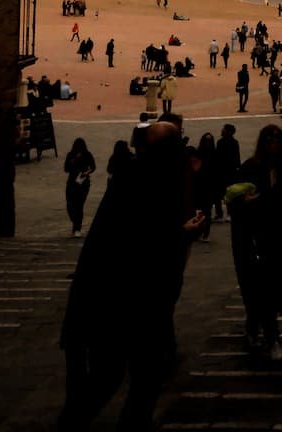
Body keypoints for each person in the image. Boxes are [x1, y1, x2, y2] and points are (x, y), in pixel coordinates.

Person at [58, 122, 204, 431]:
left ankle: (119, 422)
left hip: (118, 297)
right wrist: (182, 234)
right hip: (121, 299)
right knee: (117, 374)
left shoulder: (138, 176)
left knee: (132, 373)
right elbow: (139, 241)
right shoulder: (148, 180)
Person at [227, 124, 282, 361]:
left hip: (281, 237)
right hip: (256, 238)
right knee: (261, 289)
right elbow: (233, 198)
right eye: (269, 139)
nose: (274, 144)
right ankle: (271, 337)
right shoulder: (251, 167)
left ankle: (256, 329)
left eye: (277, 139)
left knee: (273, 288)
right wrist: (246, 202)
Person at [64, 137, 96, 238]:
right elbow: (66, 168)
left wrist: (86, 173)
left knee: (79, 205)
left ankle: (77, 228)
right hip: (72, 183)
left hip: (83, 183)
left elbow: (93, 167)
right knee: (70, 205)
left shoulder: (87, 155)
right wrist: (73, 160)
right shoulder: (70, 155)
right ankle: (76, 223)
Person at [213, 124, 241, 221]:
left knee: (219, 193)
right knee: (228, 193)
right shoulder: (234, 142)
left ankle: (220, 213)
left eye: (223, 129)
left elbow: (217, 157)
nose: (222, 130)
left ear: (228, 131)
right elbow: (237, 157)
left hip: (223, 171)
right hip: (229, 171)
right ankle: (228, 213)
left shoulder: (221, 142)